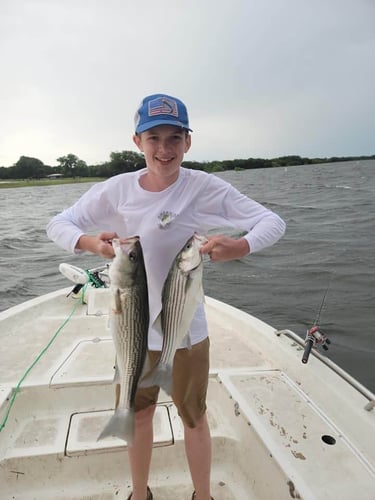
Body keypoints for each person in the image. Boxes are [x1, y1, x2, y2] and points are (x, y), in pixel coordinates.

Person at [46, 93, 286, 500]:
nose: (164, 148)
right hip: (132, 331)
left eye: (174, 138)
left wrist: (241, 247)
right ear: (137, 142)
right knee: (138, 415)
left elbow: (272, 221)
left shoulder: (204, 188)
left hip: (186, 332)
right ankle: (140, 494)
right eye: (153, 137)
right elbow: (58, 223)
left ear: (188, 143)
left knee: (194, 417)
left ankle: (202, 496)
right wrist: (90, 242)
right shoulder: (115, 190)